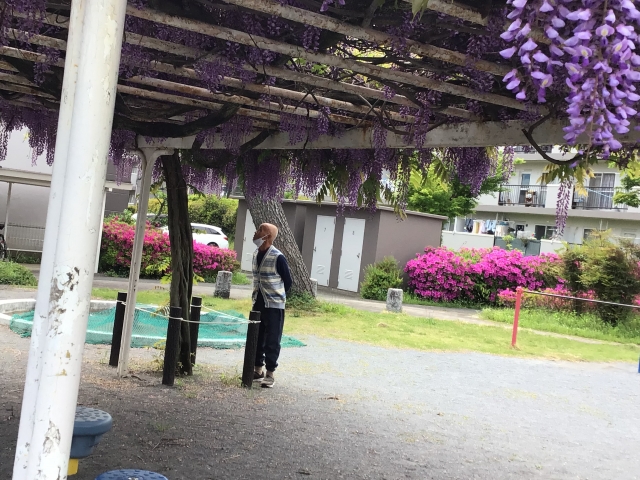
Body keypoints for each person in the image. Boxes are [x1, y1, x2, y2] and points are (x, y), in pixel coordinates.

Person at [251, 222, 292, 388]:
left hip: (274, 305)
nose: (256, 232)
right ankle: (257, 370)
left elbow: (288, 281)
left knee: (272, 339)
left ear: (266, 236)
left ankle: (270, 373)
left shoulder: (278, 257)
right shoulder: (256, 253)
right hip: (258, 302)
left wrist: (277, 295)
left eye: (260, 230)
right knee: (257, 336)